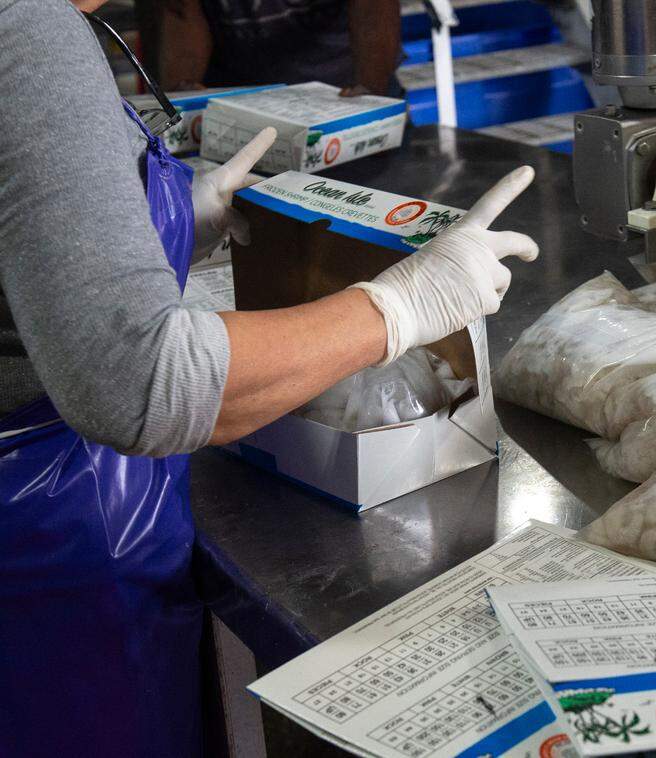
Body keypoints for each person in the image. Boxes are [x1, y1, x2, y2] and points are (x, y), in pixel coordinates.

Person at [0, 1, 537, 756]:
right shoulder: (25, 28)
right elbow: (143, 385)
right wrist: (401, 306)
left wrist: (168, 224)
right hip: (43, 549)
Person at [159, 0, 404, 97]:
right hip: (233, 99)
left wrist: (370, 94)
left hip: (340, 90)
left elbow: (372, 7)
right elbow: (179, 10)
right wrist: (182, 91)